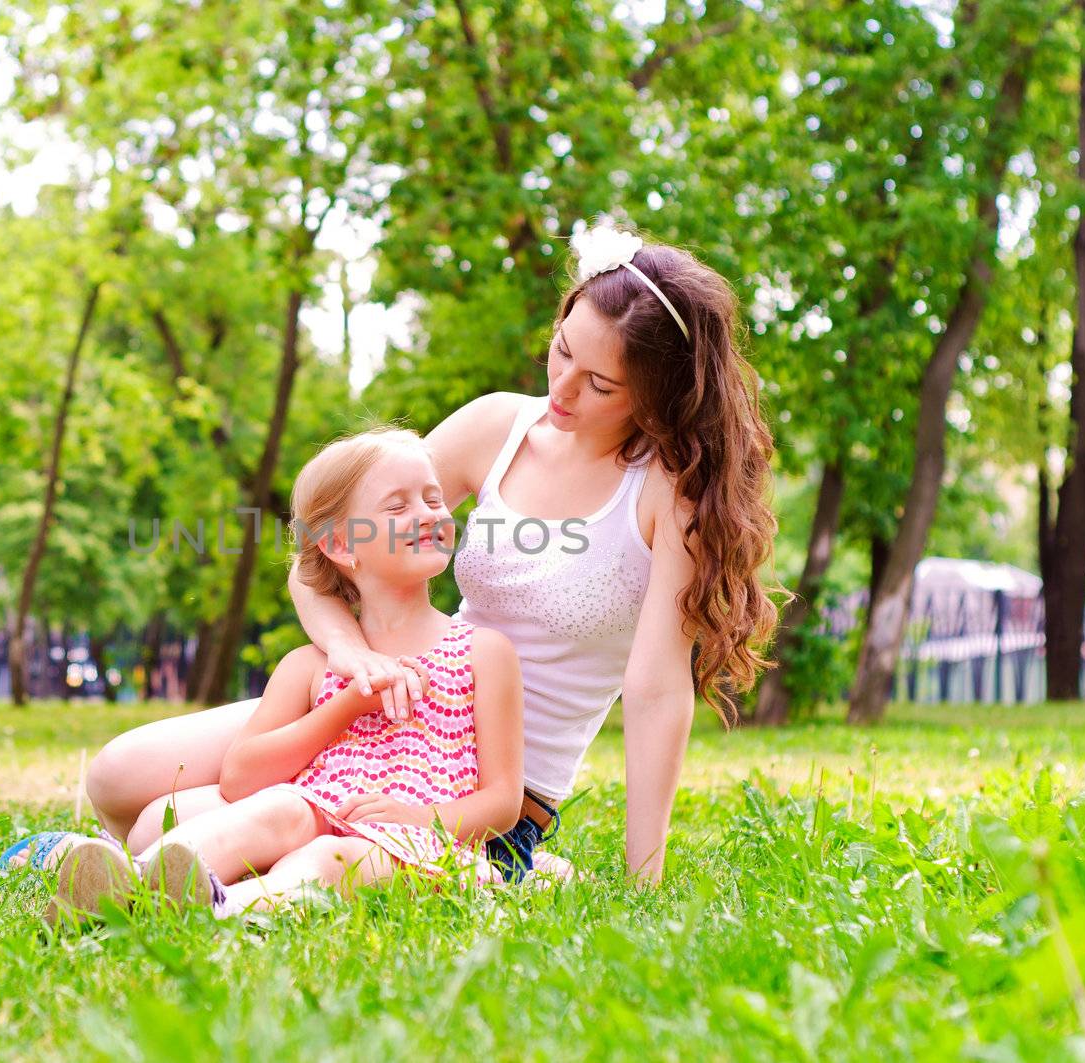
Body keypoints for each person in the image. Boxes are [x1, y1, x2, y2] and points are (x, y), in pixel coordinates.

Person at [79, 219, 785, 886]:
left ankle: (498, 866)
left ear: (657, 392)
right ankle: (155, 864)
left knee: (204, 828)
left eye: (599, 384)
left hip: (479, 771)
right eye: (563, 349)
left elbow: (658, 686)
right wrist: (350, 652)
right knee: (121, 781)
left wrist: (644, 876)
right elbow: (327, 546)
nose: (560, 388)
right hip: (383, 707)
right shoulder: (498, 425)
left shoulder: (669, 493)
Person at [40, 428, 523, 920]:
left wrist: (420, 819)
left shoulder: (482, 652)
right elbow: (241, 775)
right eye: (397, 507)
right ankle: (132, 883)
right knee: (280, 809)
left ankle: (221, 910)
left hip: (417, 849)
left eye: (433, 499)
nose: (428, 514)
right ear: (341, 544)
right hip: (317, 815)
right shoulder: (310, 666)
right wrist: (346, 706)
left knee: (326, 859)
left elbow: (504, 801)